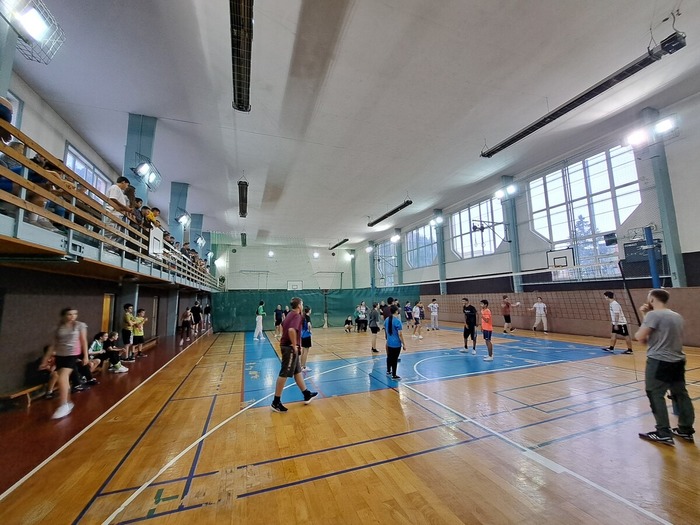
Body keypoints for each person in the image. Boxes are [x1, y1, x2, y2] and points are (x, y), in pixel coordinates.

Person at [635, 289, 695, 445]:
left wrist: (645, 315)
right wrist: (646, 315)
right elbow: (657, 334)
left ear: (652, 300)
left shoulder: (653, 315)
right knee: (680, 394)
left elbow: (640, 337)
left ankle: (663, 433)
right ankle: (685, 430)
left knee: (655, 394)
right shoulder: (676, 316)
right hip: (678, 360)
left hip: (659, 361)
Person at [270, 297, 318, 412]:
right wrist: (294, 344)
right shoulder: (297, 316)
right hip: (289, 348)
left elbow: (283, 325)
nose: (302, 306)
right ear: (299, 305)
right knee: (284, 373)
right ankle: (276, 402)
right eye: (302, 304)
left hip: (287, 346)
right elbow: (291, 330)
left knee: (297, 371)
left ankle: (306, 394)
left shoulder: (289, 314)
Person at [40, 308, 89, 419]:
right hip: (60, 355)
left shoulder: (80, 325)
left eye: (75, 314)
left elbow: (83, 341)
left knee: (62, 377)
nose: (72, 316)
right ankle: (68, 402)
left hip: (72, 354)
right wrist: (45, 359)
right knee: (64, 380)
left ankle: (63, 405)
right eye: (69, 314)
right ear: (63, 316)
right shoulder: (58, 327)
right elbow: (53, 344)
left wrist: (86, 356)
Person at [385, 305, 406, 380]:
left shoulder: (387, 319)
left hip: (389, 342)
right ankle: (394, 375)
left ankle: (388, 370)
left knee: (389, 356)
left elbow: (386, 331)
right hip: (396, 344)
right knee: (394, 359)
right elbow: (400, 334)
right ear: (396, 311)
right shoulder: (397, 321)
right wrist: (404, 344)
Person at [300, 306, 313, 372]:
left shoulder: (303, 317)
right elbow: (309, 324)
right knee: (306, 352)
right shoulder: (307, 317)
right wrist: (310, 331)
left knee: (303, 351)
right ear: (309, 310)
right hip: (307, 335)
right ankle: (304, 367)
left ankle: (301, 366)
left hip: (302, 335)